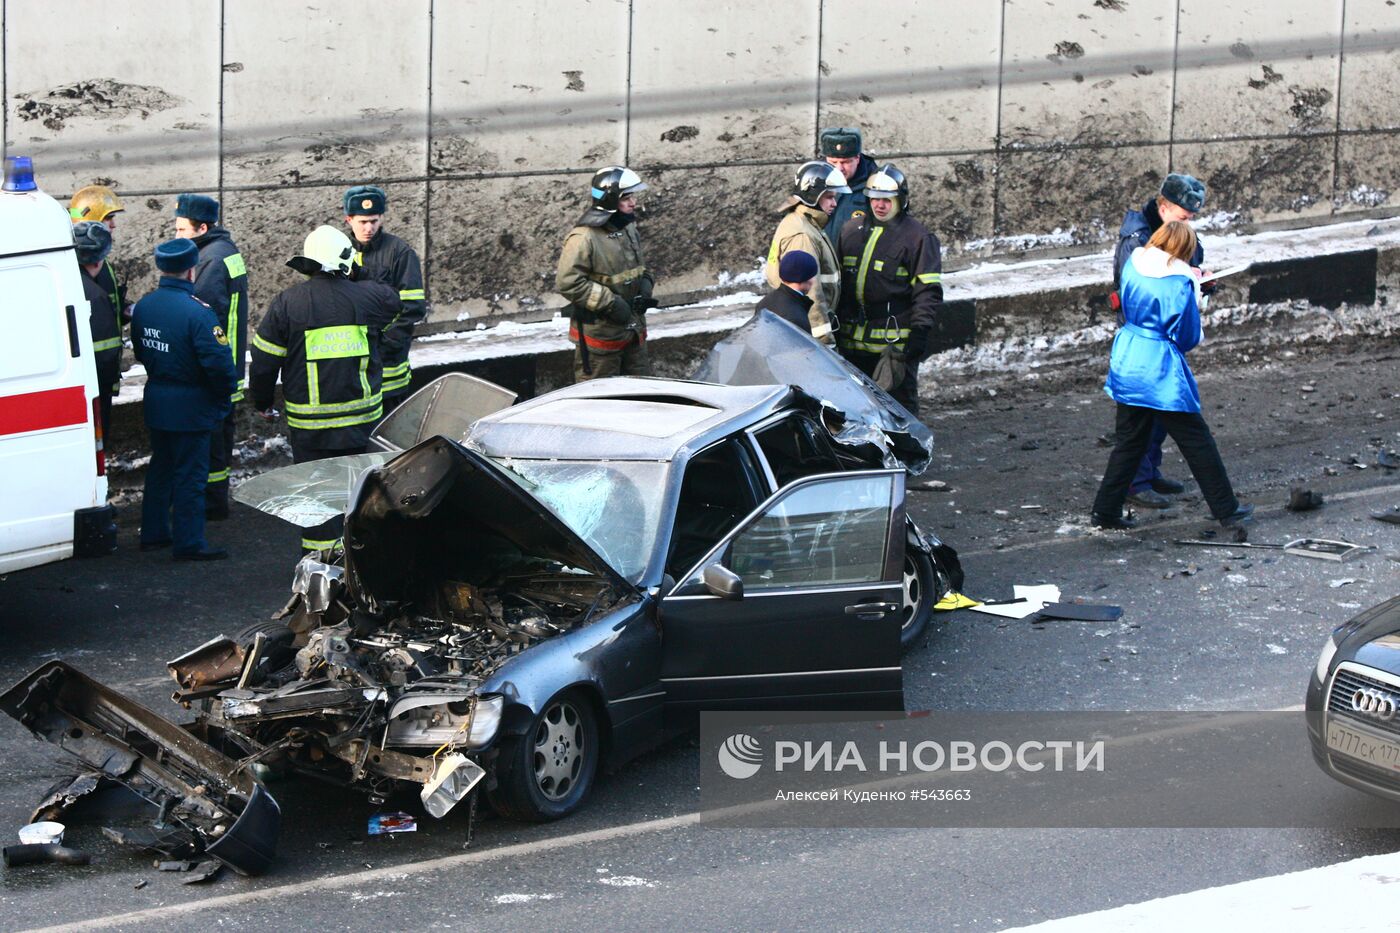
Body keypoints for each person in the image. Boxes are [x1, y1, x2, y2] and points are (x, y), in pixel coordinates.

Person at [1091, 221, 1252, 531]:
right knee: (1196, 440)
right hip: (1160, 369)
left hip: (1127, 356)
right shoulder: (1180, 281)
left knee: (1129, 442)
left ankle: (1105, 511)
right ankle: (1227, 509)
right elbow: (1188, 336)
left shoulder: (1135, 261)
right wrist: (1198, 294)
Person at [249, 225, 399, 552]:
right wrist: (358, 271)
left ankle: (320, 568)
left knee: (318, 498)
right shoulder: (370, 298)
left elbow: (263, 361)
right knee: (361, 493)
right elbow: (391, 295)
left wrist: (260, 401)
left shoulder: (288, 304)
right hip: (360, 424)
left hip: (311, 428)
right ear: (344, 260)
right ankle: (364, 563)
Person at [132, 239, 238, 561]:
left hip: (158, 400)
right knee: (191, 475)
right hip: (192, 407)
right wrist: (223, 398)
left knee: (161, 469)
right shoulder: (198, 313)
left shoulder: (145, 306)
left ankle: (153, 533)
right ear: (192, 270)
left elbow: (140, 350)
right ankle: (189, 542)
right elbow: (219, 366)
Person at [1111, 172, 1208, 510]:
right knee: (1145, 416)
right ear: (1164, 208)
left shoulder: (1162, 231)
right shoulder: (1136, 240)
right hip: (1148, 340)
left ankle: (1148, 474)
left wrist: (1198, 281)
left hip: (1161, 339)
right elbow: (1137, 290)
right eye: (1184, 217)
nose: (1190, 223)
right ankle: (1135, 483)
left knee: (1155, 415)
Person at [834, 163, 942, 417]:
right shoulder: (850, 231)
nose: (879, 205)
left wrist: (920, 331)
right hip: (852, 342)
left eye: (887, 200)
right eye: (874, 199)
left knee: (897, 410)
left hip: (892, 346)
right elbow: (837, 283)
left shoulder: (918, 237)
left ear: (901, 200)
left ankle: (906, 451)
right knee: (854, 409)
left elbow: (928, 291)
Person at [174, 193, 248, 520]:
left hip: (216, 365)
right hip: (228, 361)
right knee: (220, 433)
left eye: (181, 229)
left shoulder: (210, 260)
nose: (176, 236)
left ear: (201, 228)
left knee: (212, 437)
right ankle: (215, 499)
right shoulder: (224, 252)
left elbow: (202, 316)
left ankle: (212, 504)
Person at [556, 166, 656, 381]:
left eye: (633, 196)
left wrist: (646, 283)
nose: (633, 202)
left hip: (633, 332)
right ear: (610, 200)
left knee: (643, 395)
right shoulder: (584, 238)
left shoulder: (628, 229)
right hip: (601, 340)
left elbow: (639, 268)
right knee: (600, 402)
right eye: (626, 197)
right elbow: (568, 283)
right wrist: (610, 303)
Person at [343, 185, 425, 415]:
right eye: (362, 222)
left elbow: (413, 307)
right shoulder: (340, 250)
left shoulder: (399, 252)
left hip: (388, 365)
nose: (369, 228)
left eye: (374, 221)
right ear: (349, 219)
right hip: (353, 362)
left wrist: (385, 342)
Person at [764, 161, 848, 343]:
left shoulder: (806, 223)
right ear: (813, 196)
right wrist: (825, 344)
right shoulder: (803, 236)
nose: (834, 203)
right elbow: (811, 295)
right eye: (829, 197)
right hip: (808, 335)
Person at [72, 222, 123, 444]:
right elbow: (106, 353)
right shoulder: (95, 295)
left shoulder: (69, 283)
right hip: (96, 389)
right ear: (97, 260)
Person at [70, 183, 132, 345]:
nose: (113, 225)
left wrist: (124, 311)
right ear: (90, 221)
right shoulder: (72, 265)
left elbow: (104, 307)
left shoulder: (101, 260)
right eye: (108, 218)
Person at [820, 127, 879, 246]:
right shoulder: (813, 183)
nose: (839, 169)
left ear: (857, 158)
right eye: (833, 162)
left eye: (845, 162)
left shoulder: (876, 188)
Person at [756, 250, 820, 334]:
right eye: (812, 276)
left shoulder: (764, 302)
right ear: (805, 279)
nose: (814, 280)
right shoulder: (796, 318)